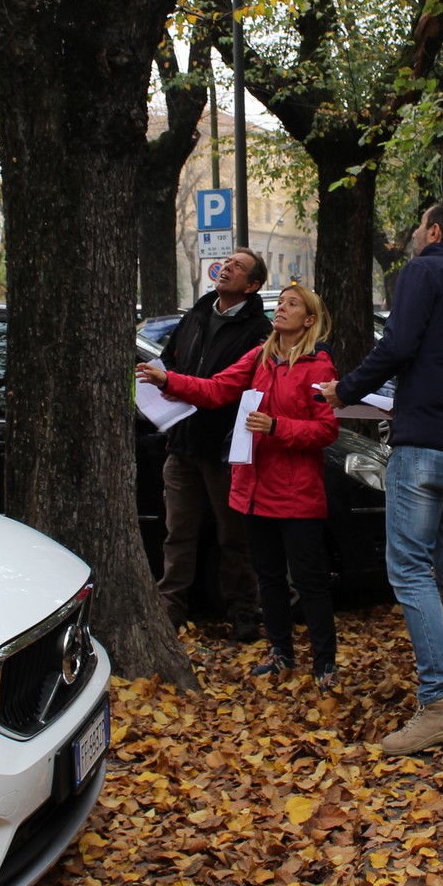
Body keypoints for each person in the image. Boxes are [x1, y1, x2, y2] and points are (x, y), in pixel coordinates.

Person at [318, 201, 443, 754]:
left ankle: (438, 705)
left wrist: (347, 389)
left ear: (434, 231)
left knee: (407, 568)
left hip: (425, 443)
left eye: (416, 227)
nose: (409, 237)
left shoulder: (423, 271)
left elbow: (397, 344)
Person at [140, 284, 341, 685]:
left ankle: (325, 665)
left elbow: (326, 429)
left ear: (310, 320)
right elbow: (215, 390)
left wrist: (276, 427)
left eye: (292, 304)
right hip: (253, 490)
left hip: (297, 494)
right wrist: (168, 380)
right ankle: (281, 653)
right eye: (280, 303)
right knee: (266, 578)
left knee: (309, 581)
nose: (282, 309)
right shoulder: (260, 357)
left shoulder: (318, 366)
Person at [154, 248, 274, 638]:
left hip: (225, 447)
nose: (226, 268)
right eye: (226, 263)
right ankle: (170, 607)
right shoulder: (197, 315)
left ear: (252, 285)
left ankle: (242, 610)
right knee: (178, 533)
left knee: (233, 536)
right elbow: (168, 362)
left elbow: (243, 389)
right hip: (182, 441)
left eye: (238, 267)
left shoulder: (259, 332)